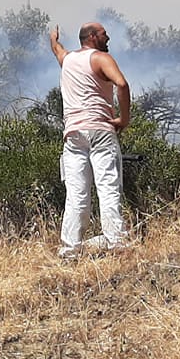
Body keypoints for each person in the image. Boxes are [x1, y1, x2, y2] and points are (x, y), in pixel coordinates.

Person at [48, 21, 131, 257]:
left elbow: (57, 49)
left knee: (76, 195)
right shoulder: (101, 59)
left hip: (73, 135)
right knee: (108, 189)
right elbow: (122, 84)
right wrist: (124, 119)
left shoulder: (68, 60)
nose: (108, 38)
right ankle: (117, 244)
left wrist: (53, 38)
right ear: (93, 36)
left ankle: (70, 250)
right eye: (104, 34)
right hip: (100, 131)